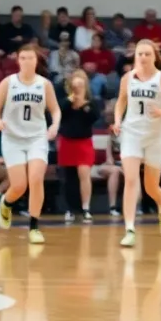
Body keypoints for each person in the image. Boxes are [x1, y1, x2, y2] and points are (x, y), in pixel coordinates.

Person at [112, 41, 161, 248]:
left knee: (151, 186)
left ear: (154, 57)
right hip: (131, 133)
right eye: (140, 54)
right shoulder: (127, 78)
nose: (143, 57)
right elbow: (121, 102)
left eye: (147, 54)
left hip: (155, 136)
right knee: (131, 180)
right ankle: (129, 229)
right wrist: (117, 120)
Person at [0, 44, 59, 244]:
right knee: (19, 185)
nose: (27, 61)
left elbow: (55, 110)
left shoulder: (44, 84)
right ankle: (6, 202)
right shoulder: (8, 82)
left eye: (31, 58)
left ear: (36, 61)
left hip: (37, 137)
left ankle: (34, 227)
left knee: (36, 179)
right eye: (23, 58)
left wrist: (54, 125)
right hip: (13, 138)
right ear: (17, 60)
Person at [56, 70, 101, 223]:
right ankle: (70, 209)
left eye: (81, 84)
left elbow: (94, 117)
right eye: (76, 85)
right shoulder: (65, 102)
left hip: (84, 142)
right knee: (68, 177)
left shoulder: (91, 103)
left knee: (84, 174)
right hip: (67, 142)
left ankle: (86, 208)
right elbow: (59, 113)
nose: (78, 87)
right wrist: (71, 100)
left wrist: (83, 104)